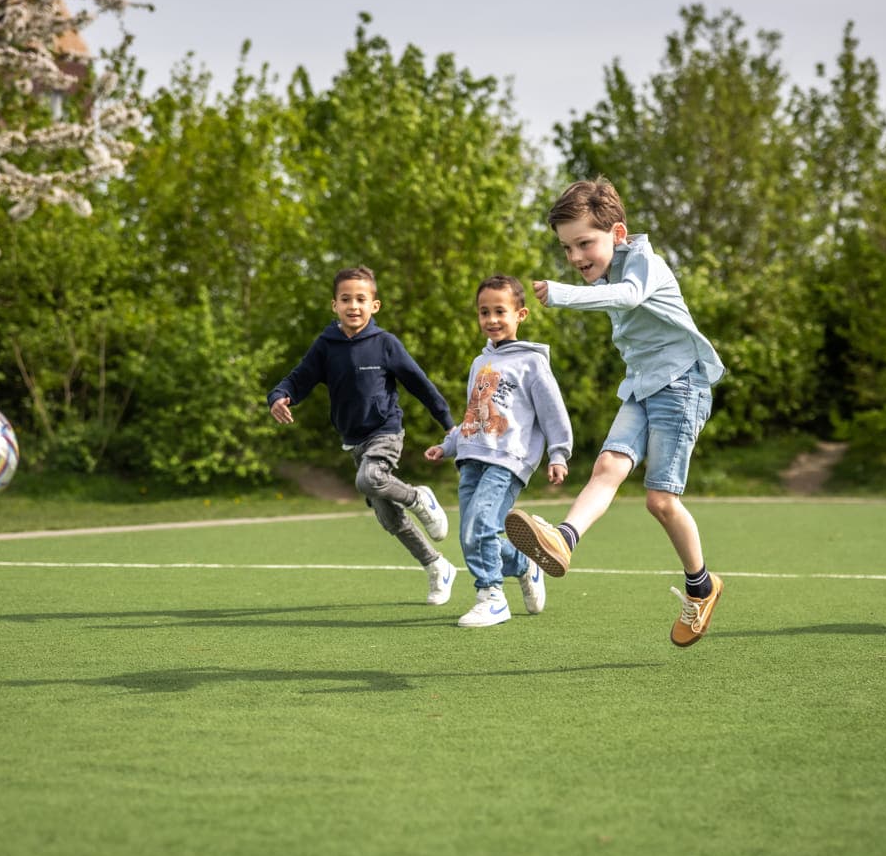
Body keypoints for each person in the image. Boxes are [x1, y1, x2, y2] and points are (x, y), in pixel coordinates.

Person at [503, 177, 726, 648]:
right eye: (567, 248)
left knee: (660, 502)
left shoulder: (643, 263)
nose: (576, 257)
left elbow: (627, 296)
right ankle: (564, 538)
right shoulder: (608, 272)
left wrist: (563, 293)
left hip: (681, 385)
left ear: (618, 234)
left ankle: (701, 587)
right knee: (606, 467)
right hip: (642, 389)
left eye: (584, 243)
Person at [267, 266, 458, 605]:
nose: (353, 306)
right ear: (334, 305)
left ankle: (418, 498)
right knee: (390, 519)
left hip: (386, 430)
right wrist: (279, 397)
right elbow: (298, 379)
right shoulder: (326, 345)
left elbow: (420, 384)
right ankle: (437, 566)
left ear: (375, 305)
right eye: (345, 299)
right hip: (353, 440)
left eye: (360, 299)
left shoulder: (385, 344)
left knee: (369, 477)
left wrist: (447, 423)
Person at [424, 275, 573, 627]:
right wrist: (448, 445)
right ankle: (524, 565)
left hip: (508, 461)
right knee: (471, 534)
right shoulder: (481, 362)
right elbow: (474, 413)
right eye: (484, 312)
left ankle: (491, 595)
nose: (491, 319)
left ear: (520, 314)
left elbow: (553, 411)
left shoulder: (532, 362)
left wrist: (559, 453)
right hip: (471, 458)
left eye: (499, 311)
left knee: (482, 525)